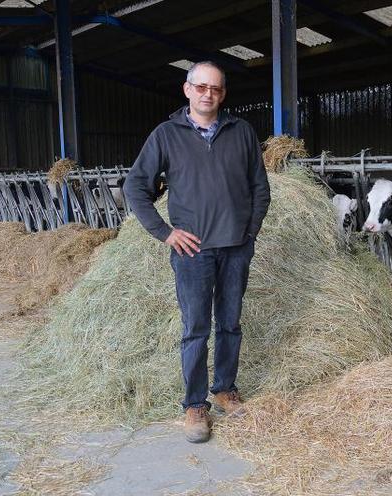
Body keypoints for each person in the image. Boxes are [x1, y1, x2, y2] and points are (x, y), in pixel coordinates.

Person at [123, 61, 271, 443]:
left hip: (236, 248)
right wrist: (165, 233)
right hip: (193, 252)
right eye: (202, 87)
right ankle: (194, 404)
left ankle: (224, 389)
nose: (209, 94)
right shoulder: (166, 135)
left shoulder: (242, 132)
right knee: (195, 328)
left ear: (223, 93)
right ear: (187, 90)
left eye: (217, 89)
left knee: (230, 323)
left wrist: (250, 232)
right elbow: (135, 187)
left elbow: (260, 188)